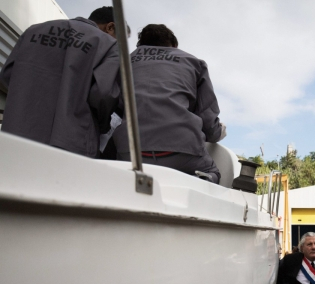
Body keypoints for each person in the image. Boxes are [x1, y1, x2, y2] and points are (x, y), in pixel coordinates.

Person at [0, 6, 121, 157]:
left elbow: (6, 76)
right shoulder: (110, 45)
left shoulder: (33, 31)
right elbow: (103, 94)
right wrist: (102, 126)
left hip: (16, 135)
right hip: (71, 143)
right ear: (111, 27)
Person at [113, 24, 225, 183]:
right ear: (173, 45)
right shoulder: (194, 63)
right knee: (212, 173)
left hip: (130, 152)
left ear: (141, 45)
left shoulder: (125, 61)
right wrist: (219, 132)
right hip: (182, 151)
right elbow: (209, 122)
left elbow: (110, 102)